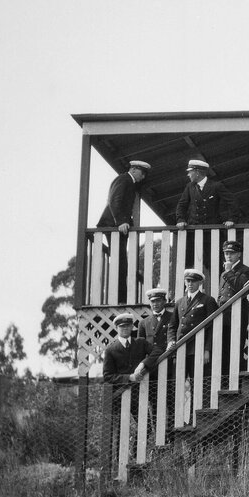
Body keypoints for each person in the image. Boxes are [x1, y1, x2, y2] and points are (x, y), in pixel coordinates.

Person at [166, 268, 219, 424]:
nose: (190, 284)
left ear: (200, 283)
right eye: (187, 281)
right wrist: (170, 341)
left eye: (193, 281)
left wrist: (207, 349)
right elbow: (172, 326)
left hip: (198, 350)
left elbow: (213, 327)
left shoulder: (207, 300)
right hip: (181, 351)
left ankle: (198, 419)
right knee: (179, 385)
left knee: (200, 384)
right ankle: (180, 420)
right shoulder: (179, 302)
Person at [102, 312, 151, 477]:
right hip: (120, 396)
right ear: (117, 328)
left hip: (138, 395)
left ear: (132, 327)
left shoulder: (140, 343)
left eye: (128, 326)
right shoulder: (111, 349)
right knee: (120, 431)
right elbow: (108, 376)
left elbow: (156, 351)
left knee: (146, 427)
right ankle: (119, 464)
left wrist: (144, 363)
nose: (125, 329)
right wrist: (128, 377)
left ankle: (135, 456)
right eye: (122, 327)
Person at [96, 160, 151, 303]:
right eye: (142, 173)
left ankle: (122, 296)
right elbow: (115, 200)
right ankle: (119, 298)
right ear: (133, 169)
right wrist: (120, 221)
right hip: (113, 225)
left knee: (122, 262)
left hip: (118, 227)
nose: (143, 176)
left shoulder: (130, 182)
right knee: (120, 262)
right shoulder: (124, 179)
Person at [175, 159, 238, 272]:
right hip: (193, 232)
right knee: (189, 262)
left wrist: (231, 219)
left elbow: (232, 201)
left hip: (212, 233)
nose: (188, 174)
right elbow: (181, 205)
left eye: (190, 172)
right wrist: (180, 219)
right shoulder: (189, 187)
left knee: (215, 262)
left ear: (197, 172)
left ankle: (221, 288)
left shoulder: (216, 186)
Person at [218, 240, 249, 370]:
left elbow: (240, 288)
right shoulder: (224, 272)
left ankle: (236, 381)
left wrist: (228, 272)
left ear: (239, 254)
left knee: (236, 347)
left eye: (231, 253)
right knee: (223, 349)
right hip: (223, 315)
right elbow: (221, 294)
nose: (228, 256)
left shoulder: (245, 270)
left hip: (238, 313)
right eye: (226, 253)